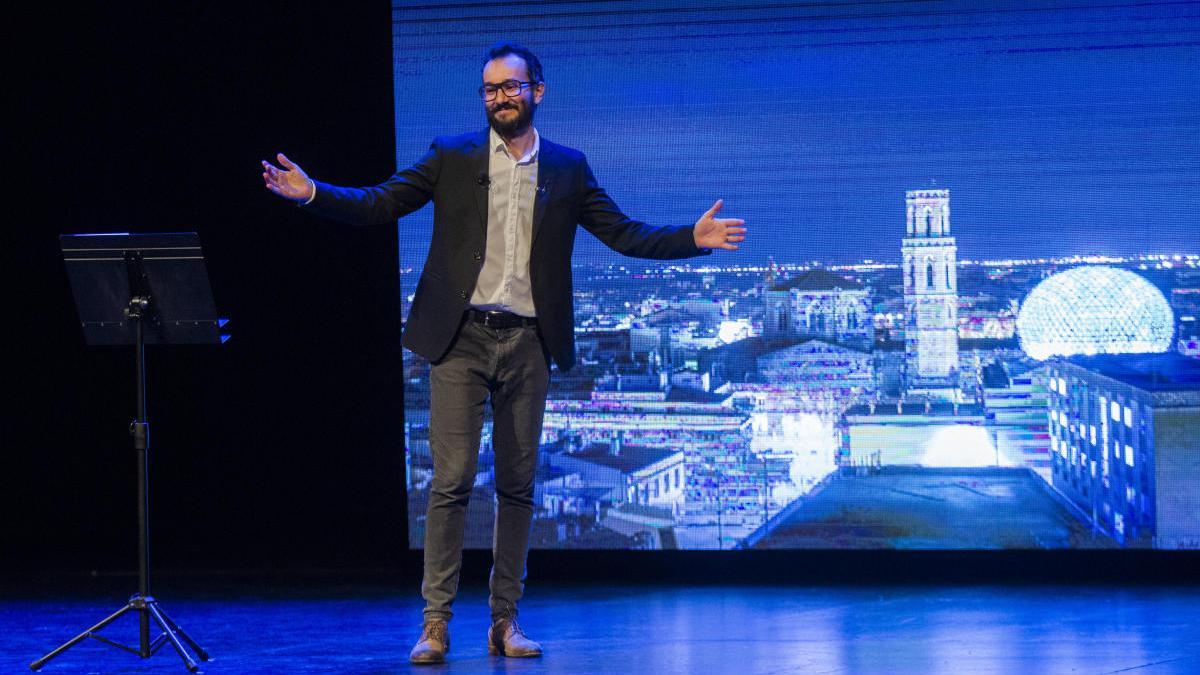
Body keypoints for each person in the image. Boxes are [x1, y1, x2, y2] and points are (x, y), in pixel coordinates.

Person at [261, 41, 746, 665]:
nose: (501, 97)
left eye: (512, 86)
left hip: (528, 342)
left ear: (536, 91)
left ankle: (504, 622)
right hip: (459, 337)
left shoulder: (568, 169)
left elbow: (622, 233)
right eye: (491, 89)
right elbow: (381, 202)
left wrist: (691, 238)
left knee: (517, 487)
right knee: (452, 480)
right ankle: (435, 625)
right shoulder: (452, 156)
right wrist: (312, 194)